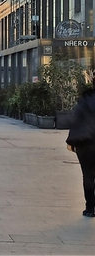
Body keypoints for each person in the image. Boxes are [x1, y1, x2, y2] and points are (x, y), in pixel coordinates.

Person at [66, 87, 95, 217]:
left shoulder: (83, 102)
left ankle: (90, 208)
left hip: (85, 143)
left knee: (88, 175)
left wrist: (71, 142)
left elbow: (74, 120)